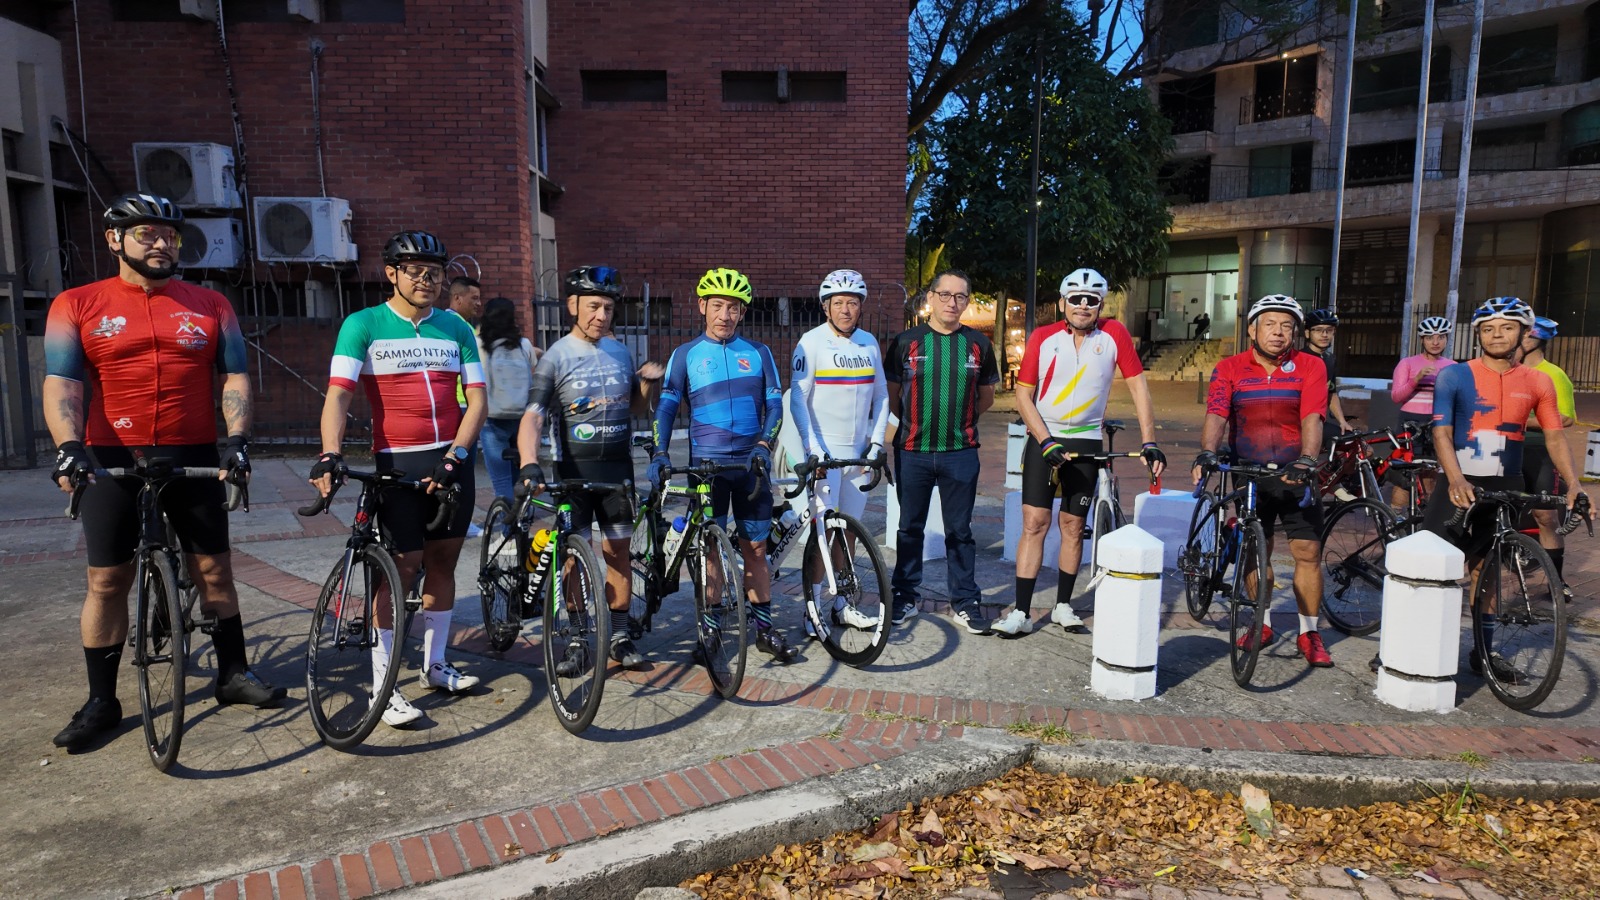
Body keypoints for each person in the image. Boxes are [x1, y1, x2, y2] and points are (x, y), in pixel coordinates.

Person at [42, 192, 286, 751]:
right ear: (114, 240)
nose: (163, 243)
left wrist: (237, 443)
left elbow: (234, 376)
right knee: (107, 581)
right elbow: (63, 381)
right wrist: (69, 447)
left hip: (191, 450)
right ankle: (101, 701)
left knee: (215, 571)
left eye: (171, 235)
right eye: (147, 233)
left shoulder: (210, 304)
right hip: (109, 454)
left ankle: (232, 674)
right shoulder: (77, 303)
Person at [310, 230, 486, 728]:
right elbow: (339, 394)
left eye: (436, 272)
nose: (428, 279)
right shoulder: (363, 324)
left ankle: (435, 665)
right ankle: (383, 687)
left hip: (450, 459)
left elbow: (477, 399)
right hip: (397, 464)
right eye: (415, 271)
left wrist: (456, 456)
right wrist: (329, 453)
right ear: (391, 273)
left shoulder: (454, 326)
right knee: (400, 569)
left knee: (443, 562)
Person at [995, 268, 1167, 637]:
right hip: (1045, 440)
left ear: (1101, 305)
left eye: (1092, 300)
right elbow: (1023, 395)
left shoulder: (1114, 334)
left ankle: (1063, 606)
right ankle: (1021, 611)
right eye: (1076, 299)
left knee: (1073, 527)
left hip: (1087, 441)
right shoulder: (1043, 337)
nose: (1083, 305)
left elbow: (1139, 388)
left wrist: (1149, 441)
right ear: (1063, 303)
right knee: (1034, 523)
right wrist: (1045, 440)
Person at [1427, 298, 1583, 681]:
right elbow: (1441, 432)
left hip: (1506, 485)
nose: (1497, 335)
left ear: (1525, 333)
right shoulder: (1455, 375)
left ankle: (1484, 652)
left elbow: (1555, 436)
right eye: (1488, 329)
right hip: (1459, 482)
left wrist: (1575, 483)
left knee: (1489, 572)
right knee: (1432, 568)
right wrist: (1456, 479)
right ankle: (1412, 645)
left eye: (1507, 327)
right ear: (1478, 334)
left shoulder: (1538, 381)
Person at [648, 267, 797, 662]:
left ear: (743, 312)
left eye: (733, 308)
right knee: (710, 549)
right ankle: (710, 632)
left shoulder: (759, 353)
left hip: (751, 466)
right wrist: (660, 452)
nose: (725, 315)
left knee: (757, 547)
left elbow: (774, 405)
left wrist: (764, 444)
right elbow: (666, 407)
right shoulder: (686, 354)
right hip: (707, 468)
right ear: (702, 306)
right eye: (717, 306)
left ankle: (763, 629)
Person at [518, 266, 662, 670]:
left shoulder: (620, 353)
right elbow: (533, 415)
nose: (601, 315)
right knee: (573, 558)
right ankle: (579, 639)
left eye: (608, 308)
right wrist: (530, 463)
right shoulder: (555, 357)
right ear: (573, 306)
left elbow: (635, 407)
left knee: (618, 553)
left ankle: (619, 636)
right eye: (594, 306)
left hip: (617, 471)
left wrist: (647, 383)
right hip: (573, 473)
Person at [1194, 294, 1333, 668]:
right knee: (1257, 549)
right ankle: (1262, 622)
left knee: (1308, 552)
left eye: (1287, 326)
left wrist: (1307, 459)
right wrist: (1207, 451)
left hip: (1295, 471)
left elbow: (1313, 415)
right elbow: (1217, 413)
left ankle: (1309, 632)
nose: (1279, 332)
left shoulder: (1311, 366)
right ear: (1252, 330)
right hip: (1250, 471)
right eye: (1270, 324)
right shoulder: (1229, 368)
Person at [885, 270, 1000, 635]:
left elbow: (986, 397)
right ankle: (905, 596)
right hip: (912, 451)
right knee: (909, 528)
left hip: (960, 452)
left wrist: (959, 422)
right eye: (945, 295)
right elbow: (892, 397)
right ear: (930, 298)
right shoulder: (906, 342)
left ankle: (964, 601)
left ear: (967, 302)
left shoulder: (979, 344)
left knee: (960, 531)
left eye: (960, 296)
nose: (952, 302)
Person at [788, 269, 890, 637]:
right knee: (823, 534)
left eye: (853, 303)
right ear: (825, 307)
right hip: (825, 456)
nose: (846, 309)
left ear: (861, 306)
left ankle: (843, 605)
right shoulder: (811, 342)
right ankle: (812, 608)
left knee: (848, 534)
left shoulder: (869, 343)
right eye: (838, 303)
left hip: (857, 456)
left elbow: (882, 396)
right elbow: (798, 400)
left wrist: (876, 443)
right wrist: (813, 448)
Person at [1516, 315, 1578, 591]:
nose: (1521, 339)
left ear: (1539, 339)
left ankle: (1556, 582)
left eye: (1527, 335)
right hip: (1506, 449)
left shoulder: (1554, 374)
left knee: (1547, 517)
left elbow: (1566, 418)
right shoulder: (1511, 370)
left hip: (1539, 450)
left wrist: (1520, 420)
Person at [478, 297, 542, 501]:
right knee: (522, 475)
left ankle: (506, 520)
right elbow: (534, 364)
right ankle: (524, 514)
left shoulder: (479, 344)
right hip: (522, 418)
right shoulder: (523, 344)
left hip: (492, 417)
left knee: (501, 481)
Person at [1390, 315, 1457, 507]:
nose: (1435, 342)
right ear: (1422, 340)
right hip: (1410, 422)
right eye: (1430, 338)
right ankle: (1396, 517)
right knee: (1406, 476)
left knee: (1432, 473)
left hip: (1438, 422)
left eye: (1440, 337)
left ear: (1446, 339)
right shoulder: (1407, 363)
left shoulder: (1452, 367)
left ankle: (1424, 517)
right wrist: (1416, 379)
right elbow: (1396, 397)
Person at [1305, 308, 1350, 433]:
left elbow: (1331, 393)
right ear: (1307, 333)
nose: (1324, 335)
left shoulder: (1330, 359)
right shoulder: (1299, 359)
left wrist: (1342, 421)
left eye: (1329, 330)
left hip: (1319, 421)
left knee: (1353, 441)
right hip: (1298, 424)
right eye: (1318, 330)